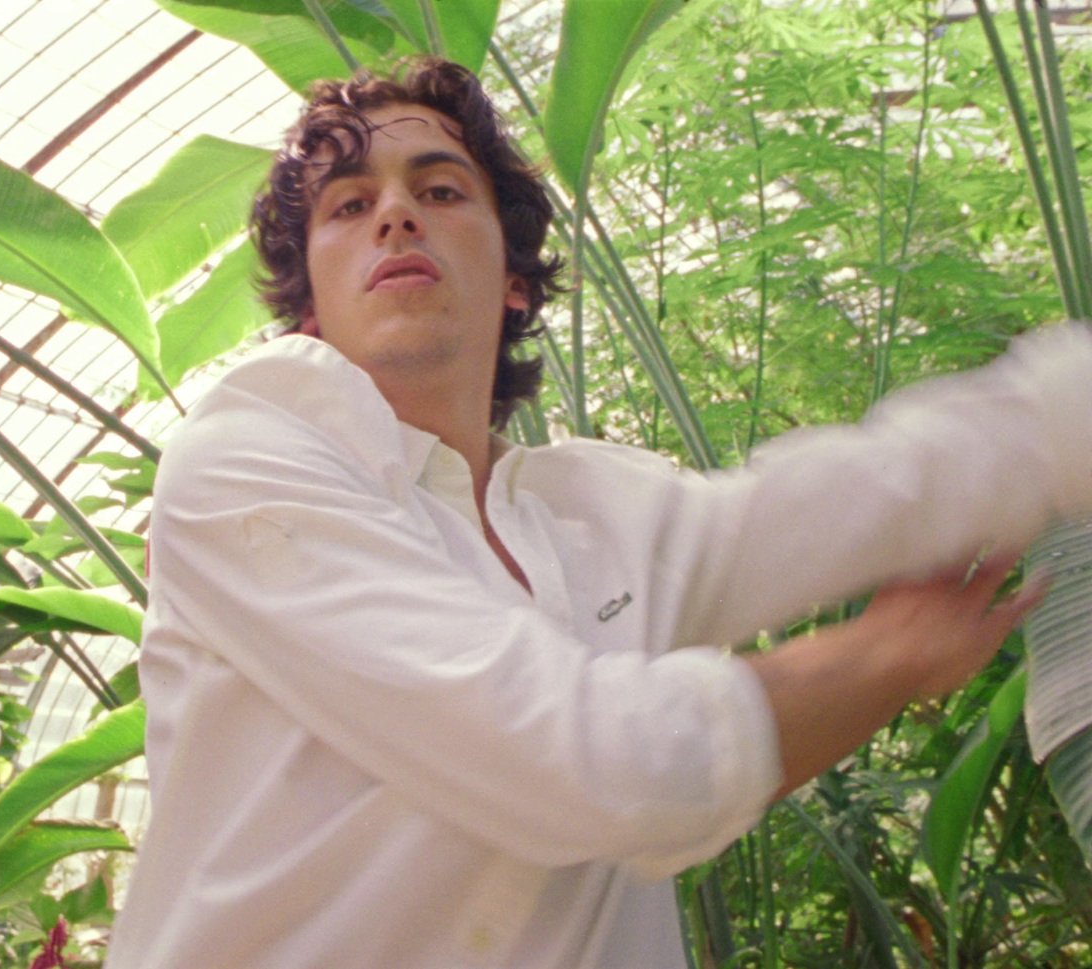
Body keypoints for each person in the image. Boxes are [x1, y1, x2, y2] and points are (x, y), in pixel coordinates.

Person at [102, 59, 1092, 968]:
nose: (395, 214)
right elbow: (574, 761)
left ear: (516, 284)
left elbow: (852, 494)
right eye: (349, 205)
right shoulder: (249, 451)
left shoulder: (594, 511)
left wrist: (1059, 420)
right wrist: (880, 660)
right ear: (310, 311)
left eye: (439, 189)